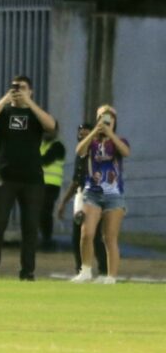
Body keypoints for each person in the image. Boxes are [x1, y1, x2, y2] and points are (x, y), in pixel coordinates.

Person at [0, 75, 56, 281]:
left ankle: (27, 271)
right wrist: (4, 100)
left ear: (30, 91)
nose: (18, 90)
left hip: (32, 179)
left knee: (30, 227)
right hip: (4, 177)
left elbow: (51, 126)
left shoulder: (35, 114)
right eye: (14, 87)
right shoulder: (3, 112)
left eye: (22, 88)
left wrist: (29, 102)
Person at [71, 105, 130, 284]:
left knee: (109, 237)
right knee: (86, 233)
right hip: (93, 193)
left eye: (109, 118)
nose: (105, 120)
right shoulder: (92, 142)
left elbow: (125, 152)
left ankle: (111, 276)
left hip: (114, 194)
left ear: (114, 121)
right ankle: (86, 270)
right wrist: (94, 132)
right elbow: (80, 151)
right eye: (102, 117)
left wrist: (110, 133)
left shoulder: (119, 140)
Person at [57, 123, 107, 275]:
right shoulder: (80, 153)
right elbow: (76, 180)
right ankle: (81, 269)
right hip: (81, 196)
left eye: (86, 135)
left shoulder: (98, 151)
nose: (83, 138)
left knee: (95, 236)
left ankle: (104, 270)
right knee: (77, 235)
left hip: (95, 196)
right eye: (81, 135)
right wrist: (64, 202)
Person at [38, 123, 66, 251]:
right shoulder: (41, 145)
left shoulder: (58, 146)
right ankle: (42, 239)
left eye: (50, 130)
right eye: (45, 130)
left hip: (51, 185)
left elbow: (45, 160)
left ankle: (47, 240)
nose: (46, 133)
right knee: (39, 212)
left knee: (45, 212)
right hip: (39, 183)